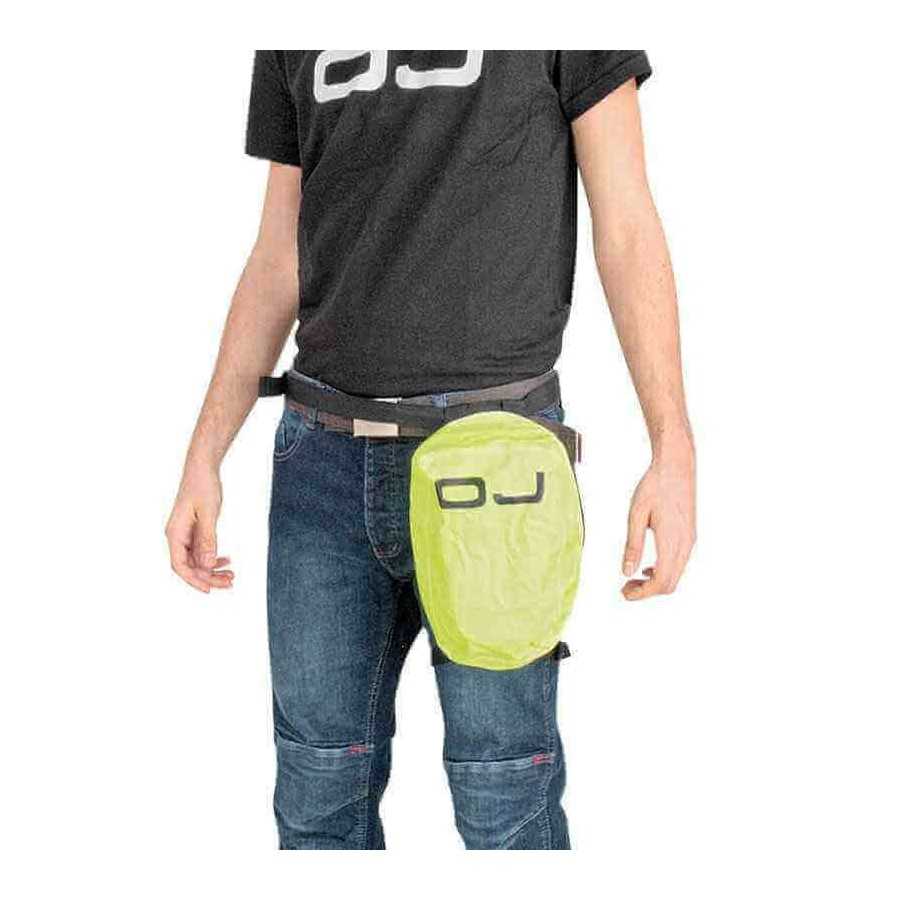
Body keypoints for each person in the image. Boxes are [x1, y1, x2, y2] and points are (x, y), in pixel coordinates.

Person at [166, 50, 696, 851]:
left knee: (505, 796)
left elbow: (626, 223)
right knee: (316, 793)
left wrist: (672, 446)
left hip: (499, 468)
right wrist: (203, 456)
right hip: (323, 464)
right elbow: (279, 254)